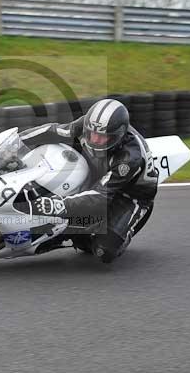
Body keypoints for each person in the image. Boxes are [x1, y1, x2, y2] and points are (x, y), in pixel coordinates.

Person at [16, 98, 158, 263]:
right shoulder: (89, 125)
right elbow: (54, 131)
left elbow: (99, 198)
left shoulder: (129, 158)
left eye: (101, 137)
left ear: (118, 136)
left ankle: (119, 232)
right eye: (92, 134)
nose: (94, 140)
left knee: (103, 251)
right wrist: (17, 141)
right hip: (100, 174)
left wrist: (57, 205)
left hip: (130, 196)